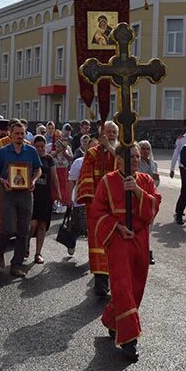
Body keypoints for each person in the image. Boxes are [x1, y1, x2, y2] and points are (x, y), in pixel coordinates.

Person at [91, 143, 161, 362]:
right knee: (122, 287)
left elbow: (153, 208)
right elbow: (97, 213)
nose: (136, 160)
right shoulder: (107, 181)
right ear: (119, 159)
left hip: (139, 239)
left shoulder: (145, 181)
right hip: (119, 239)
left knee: (137, 287)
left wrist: (138, 192)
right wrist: (118, 226)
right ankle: (129, 341)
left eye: (137, 156)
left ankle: (112, 319)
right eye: (131, 157)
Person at [0, 121, 42, 277]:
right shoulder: (3, 151)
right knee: (8, 228)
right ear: (10, 134)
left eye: (22, 133)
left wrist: (33, 180)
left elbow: (38, 169)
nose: (20, 136)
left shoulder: (31, 151)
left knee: (23, 230)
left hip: (26, 194)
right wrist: (2, 180)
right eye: (17, 133)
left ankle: (16, 264)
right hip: (9, 193)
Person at [77, 120, 117, 297]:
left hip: (117, 207)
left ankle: (114, 281)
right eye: (108, 132)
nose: (111, 135)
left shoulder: (122, 151)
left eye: (114, 132)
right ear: (101, 134)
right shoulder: (92, 153)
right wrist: (93, 202)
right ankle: (101, 282)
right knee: (98, 242)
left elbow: (127, 168)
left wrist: (109, 147)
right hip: (98, 206)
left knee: (116, 244)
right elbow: (85, 176)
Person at [28, 135, 60, 264]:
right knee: (32, 224)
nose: (40, 149)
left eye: (42, 146)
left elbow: (54, 177)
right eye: (38, 146)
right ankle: (25, 245)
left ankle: (38, 253)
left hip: (45, 196)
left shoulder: (49, 159)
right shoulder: (29, 157)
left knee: (42, 225)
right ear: (33, 146)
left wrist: (58, 193)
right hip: (32, 195)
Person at [138, 140, 159, 265]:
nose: (145, 151)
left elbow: (156, 183)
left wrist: (156, 179)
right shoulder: (136, 163)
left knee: (149, 225)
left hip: (151, 197)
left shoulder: (154, 163)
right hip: (139, 195)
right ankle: (144, 250)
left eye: (147, 149)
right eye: (142, 148)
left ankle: (146, 250)